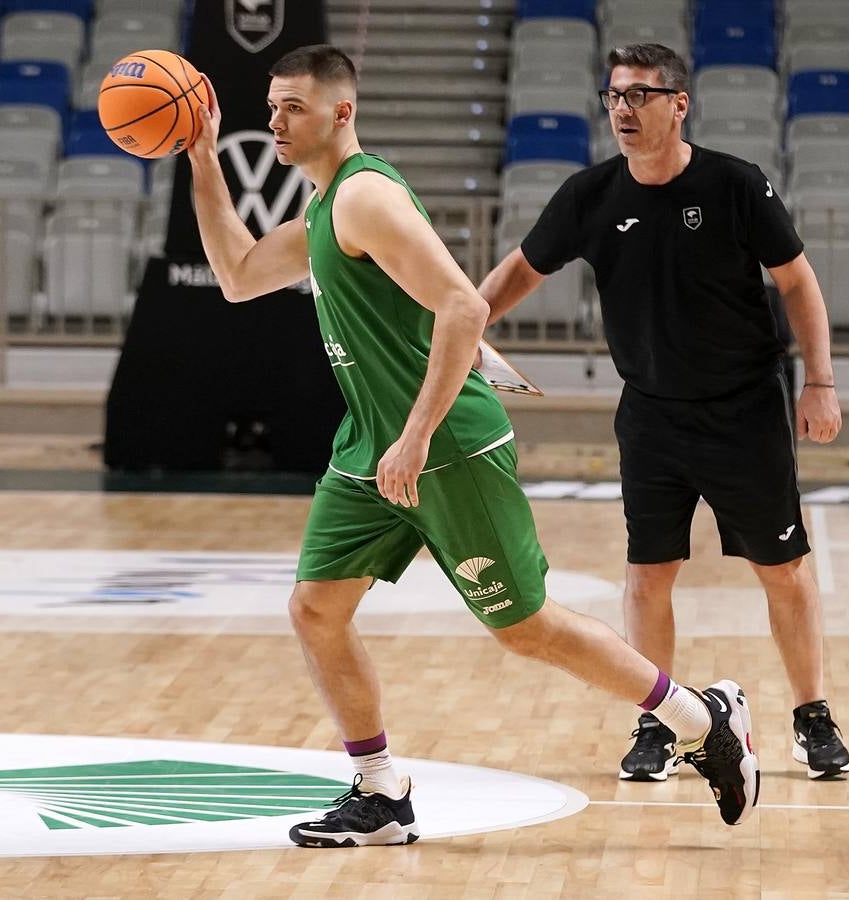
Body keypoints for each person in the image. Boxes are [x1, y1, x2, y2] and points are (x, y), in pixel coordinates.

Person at [186, 44, 760, 847]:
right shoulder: (322, 207)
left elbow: (464, 308)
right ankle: (380, 791)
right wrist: (203, 157)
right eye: (272, 106)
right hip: (370, 448)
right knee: (316, 609)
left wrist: (416, 437)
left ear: (341, 113)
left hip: (444, 444)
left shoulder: (364, 200)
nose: (276, 121)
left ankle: (701, 716)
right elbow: (240, 275)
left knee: (526, 629)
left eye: (294, 108)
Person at [477, 43, 849, 782]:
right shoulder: (590, 196)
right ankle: (659, 719)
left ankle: (813, 717)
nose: (623, 109)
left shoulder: (735, 185)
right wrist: (465, 323)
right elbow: (521, 269)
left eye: (640, 95)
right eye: (614, 96)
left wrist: (821, 382)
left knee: (782, 569)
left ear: (679, 104)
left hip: (746, 408)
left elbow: (798, 283)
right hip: (650, 413)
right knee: (650, 573)